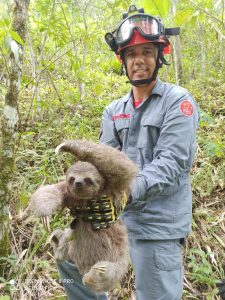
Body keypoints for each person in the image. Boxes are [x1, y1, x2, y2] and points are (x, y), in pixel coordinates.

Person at [57, 5, 199, 300]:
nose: (139, 61)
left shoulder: (178, 103)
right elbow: (102, 163)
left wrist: (126, 192)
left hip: (159, 223)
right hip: (114, 221)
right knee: (69, 261)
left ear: (160, 56)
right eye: (132, 54)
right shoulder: (114, 111)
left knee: (156, 293)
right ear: (122, 60)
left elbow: (171, 163)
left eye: (147, 52)